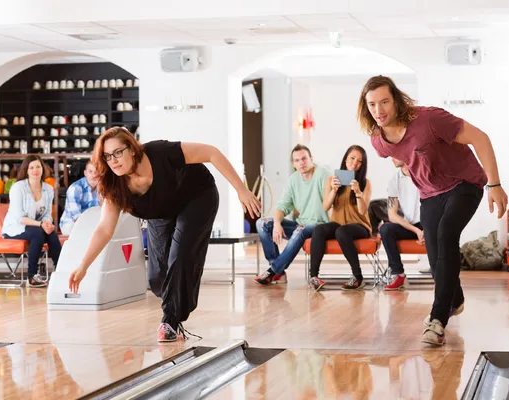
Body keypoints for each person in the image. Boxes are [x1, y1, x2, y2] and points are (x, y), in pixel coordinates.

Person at [67, 127, 261, 342]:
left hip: (196, 196)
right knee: (157, 275)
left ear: (132, 149)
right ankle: (173, 310)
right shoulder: (114, 186)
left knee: (180, 255)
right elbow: (104, 229)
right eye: (107, 156)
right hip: (160, 211)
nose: (113, 160)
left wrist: (241, 190)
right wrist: (83, 266)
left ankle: (170, 321)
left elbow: (211, 152)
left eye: (118, 152)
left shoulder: (160, 152)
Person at [358, 75, 508, 346]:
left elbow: (481, 138)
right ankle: (456, 299)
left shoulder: (429, 120)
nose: (378, 111)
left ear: (396, 100)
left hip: (464, 183)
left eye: (384, 102)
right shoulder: (378, 141)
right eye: (371, 105)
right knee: (435, 249)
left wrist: (495, 185)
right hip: (429, 194)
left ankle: (437, 319)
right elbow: (398, 154)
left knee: (446, 233)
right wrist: (410, 160)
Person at [254, 144, 331, 285]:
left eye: (304, 158)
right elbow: (282, 206)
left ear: (311, 159)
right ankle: (280, 273)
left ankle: (273, 271)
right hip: (301, 224)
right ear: (293, 164)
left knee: (300, 229)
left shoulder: (322, 173)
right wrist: (277, 223)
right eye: (297, 160)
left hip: (320, 226)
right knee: (262, 223)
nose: (301, 163)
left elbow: (332, 191)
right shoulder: (293, 180)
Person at [308, 145, 373, 291]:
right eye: (352, 158)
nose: (355, 163)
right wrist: (334, 190)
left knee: (342, 232)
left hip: (360, 225)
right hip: (338, 223)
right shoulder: (331, 179)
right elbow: (325, 207)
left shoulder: (365, 182)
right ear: (345, 159)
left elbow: (363, 211)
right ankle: (314, 277)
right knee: (320, 229)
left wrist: (357, 192)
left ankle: (358, 277)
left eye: (359, 161)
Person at [2, 155, 62, 288]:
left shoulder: (48, 188)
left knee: (50, 232)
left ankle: (60, 271)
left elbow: (46, 213)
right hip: (15, 228)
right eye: (32, 167)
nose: (35, 170)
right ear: (27, 170)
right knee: (38, 232)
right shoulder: (18, 188)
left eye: (38, 166)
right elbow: (20, 218)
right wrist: (41, 224)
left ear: (43, 169)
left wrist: (47, 223)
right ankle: (32, 276)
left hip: (36, 227)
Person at [380, 157, 423, 291]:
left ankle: (440, 276)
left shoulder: (423, 173)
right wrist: (416, 231)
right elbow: (392, 214)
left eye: (395, 154)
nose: (392, 158)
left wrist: (427, 228)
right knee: (386, 229)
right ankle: (398, 275)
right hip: (411, 226)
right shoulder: (394, 180)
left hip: (428, 223)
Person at [59, 160, 101, 235]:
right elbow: (76, 217)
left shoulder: (102, 188)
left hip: (91, 224)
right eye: (90, 171)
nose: (94, 175)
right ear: (85, 173)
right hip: (70, 225)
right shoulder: (75, 188)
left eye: (96, 171)